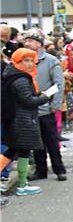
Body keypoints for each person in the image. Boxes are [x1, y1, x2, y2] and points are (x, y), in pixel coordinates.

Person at [1, 48, 51, 195]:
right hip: (22, 121)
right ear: (18, 61)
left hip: (18, 119)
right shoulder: (21, 78)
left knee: (14, 151)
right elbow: (28, 101)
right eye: (25, 61)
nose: (30, 64)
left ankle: (22, 184)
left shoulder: (13, 74)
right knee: (21, 151)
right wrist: (45, 97)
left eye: (31, 60)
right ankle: (22, 186)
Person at [21, 30, 66, 183]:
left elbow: (59, 83)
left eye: (31, 41)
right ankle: (41, 170)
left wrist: (55, 103)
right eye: (26, 40)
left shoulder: (50, 60)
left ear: (40, 44)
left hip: (45, 107)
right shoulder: (22, 60)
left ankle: (59, 169)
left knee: (51, 140)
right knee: (36, 141)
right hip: (29, 108)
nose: (28, 43)